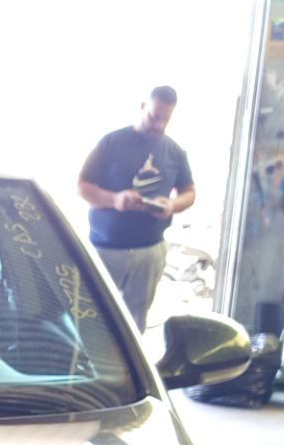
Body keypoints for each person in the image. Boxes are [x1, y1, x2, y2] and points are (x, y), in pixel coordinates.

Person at [76, 85, 197, 331]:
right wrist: (115, 200)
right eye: (154, 116)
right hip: (106, 249)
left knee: (136, 320)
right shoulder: (112, 142)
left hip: (150, 251)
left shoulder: (174, 151)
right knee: (91, 317)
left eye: (165, 119)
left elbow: (189, 192)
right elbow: (82, 186)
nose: (158, 125)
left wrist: (172, 205)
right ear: (143, 107)